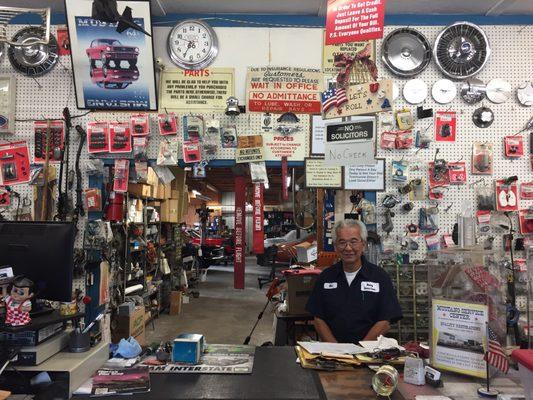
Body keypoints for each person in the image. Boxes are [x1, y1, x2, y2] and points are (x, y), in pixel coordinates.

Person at [306, 219, 402, 343]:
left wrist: (360, 350)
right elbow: (318, 318)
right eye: (342, 242)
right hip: (333, 355)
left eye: (353, 241)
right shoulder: (325, 278)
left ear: (364, 244)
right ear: (335, 246)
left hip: (369, 353)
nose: (348, 248)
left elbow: (385, 321)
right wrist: (336, 349)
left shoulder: (380, 278)